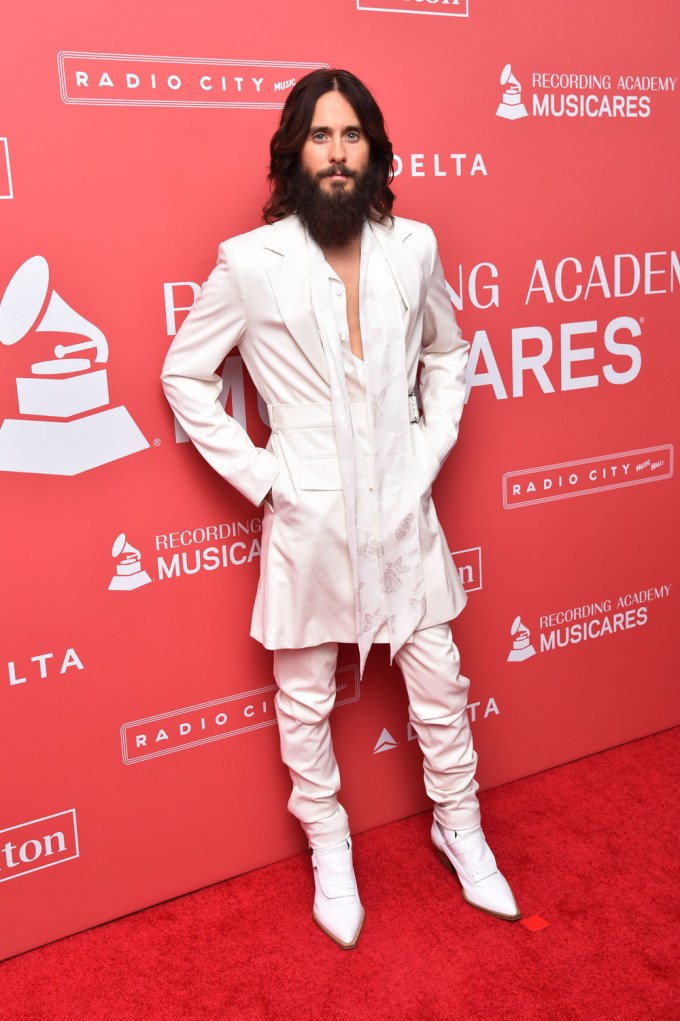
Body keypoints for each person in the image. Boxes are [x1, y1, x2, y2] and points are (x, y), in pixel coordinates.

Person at [161, 68, 520, 949]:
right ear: (294, 152)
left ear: (373, 150)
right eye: (320, 136)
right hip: (309, 519)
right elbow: (184, 373)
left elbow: (450, 351)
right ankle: (330, 850)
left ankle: (459, 826)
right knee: (305, 699)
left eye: (351, 135)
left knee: (441, 686)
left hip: (404, 511)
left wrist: (428, 448)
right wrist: (268, 477)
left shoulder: (415, 248)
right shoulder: (250, 264)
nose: (336, 152)